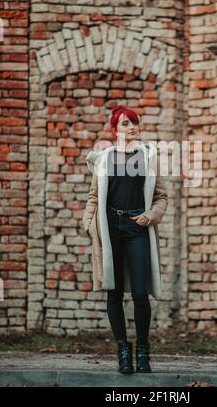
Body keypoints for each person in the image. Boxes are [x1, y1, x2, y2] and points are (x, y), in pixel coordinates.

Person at [83, 105, 169, 375]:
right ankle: (123, 350)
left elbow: (161, 197)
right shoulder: (104, 159)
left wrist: (151, 215)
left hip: (137, 227)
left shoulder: (148, 157)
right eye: (125, 124)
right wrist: (88, 225)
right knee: (114, 292)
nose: (132, 127)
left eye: (134, 123)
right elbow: (94, 198)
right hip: (110, 229)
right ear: (114, 130)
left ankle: (142, 349)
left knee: (141, 293)